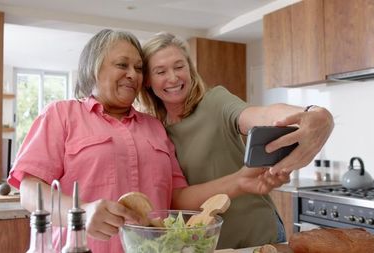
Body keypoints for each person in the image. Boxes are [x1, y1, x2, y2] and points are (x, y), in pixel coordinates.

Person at [7, 29, 291, 252]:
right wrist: (78, 212)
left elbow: (178, 198)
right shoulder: (61, 114)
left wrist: (241, 181)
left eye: (139, 67)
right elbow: (31, 191)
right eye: (122, 65)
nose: (133, 74)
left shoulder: (155, 128)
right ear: (93, 68)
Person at [139, 32, 335, 249]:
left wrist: (312, 113)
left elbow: (260, 115)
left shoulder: (215, 102)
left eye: (179, 67)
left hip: (257, 236)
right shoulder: (155, 130)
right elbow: (176, 199)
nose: (174, 78)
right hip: (208, 244)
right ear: (147, 81)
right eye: (161, 71)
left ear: (190, 69)